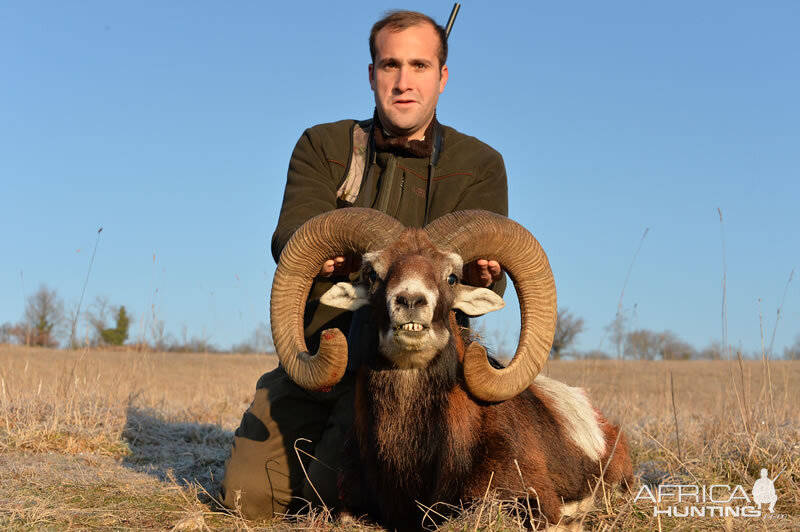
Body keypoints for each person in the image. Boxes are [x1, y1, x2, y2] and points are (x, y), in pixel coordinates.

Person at [220, 10, 509, 519]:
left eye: (420, 65)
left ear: (442, 77)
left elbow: (488, 264)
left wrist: (490, 271)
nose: (403, 81)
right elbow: (295, 233)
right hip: (328, 359)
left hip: (422, 372)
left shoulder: (479, 164)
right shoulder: (325, 146)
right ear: (371, 73)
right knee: (248, 497)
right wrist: (324, 251)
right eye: (389, 64)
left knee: (349, 494)